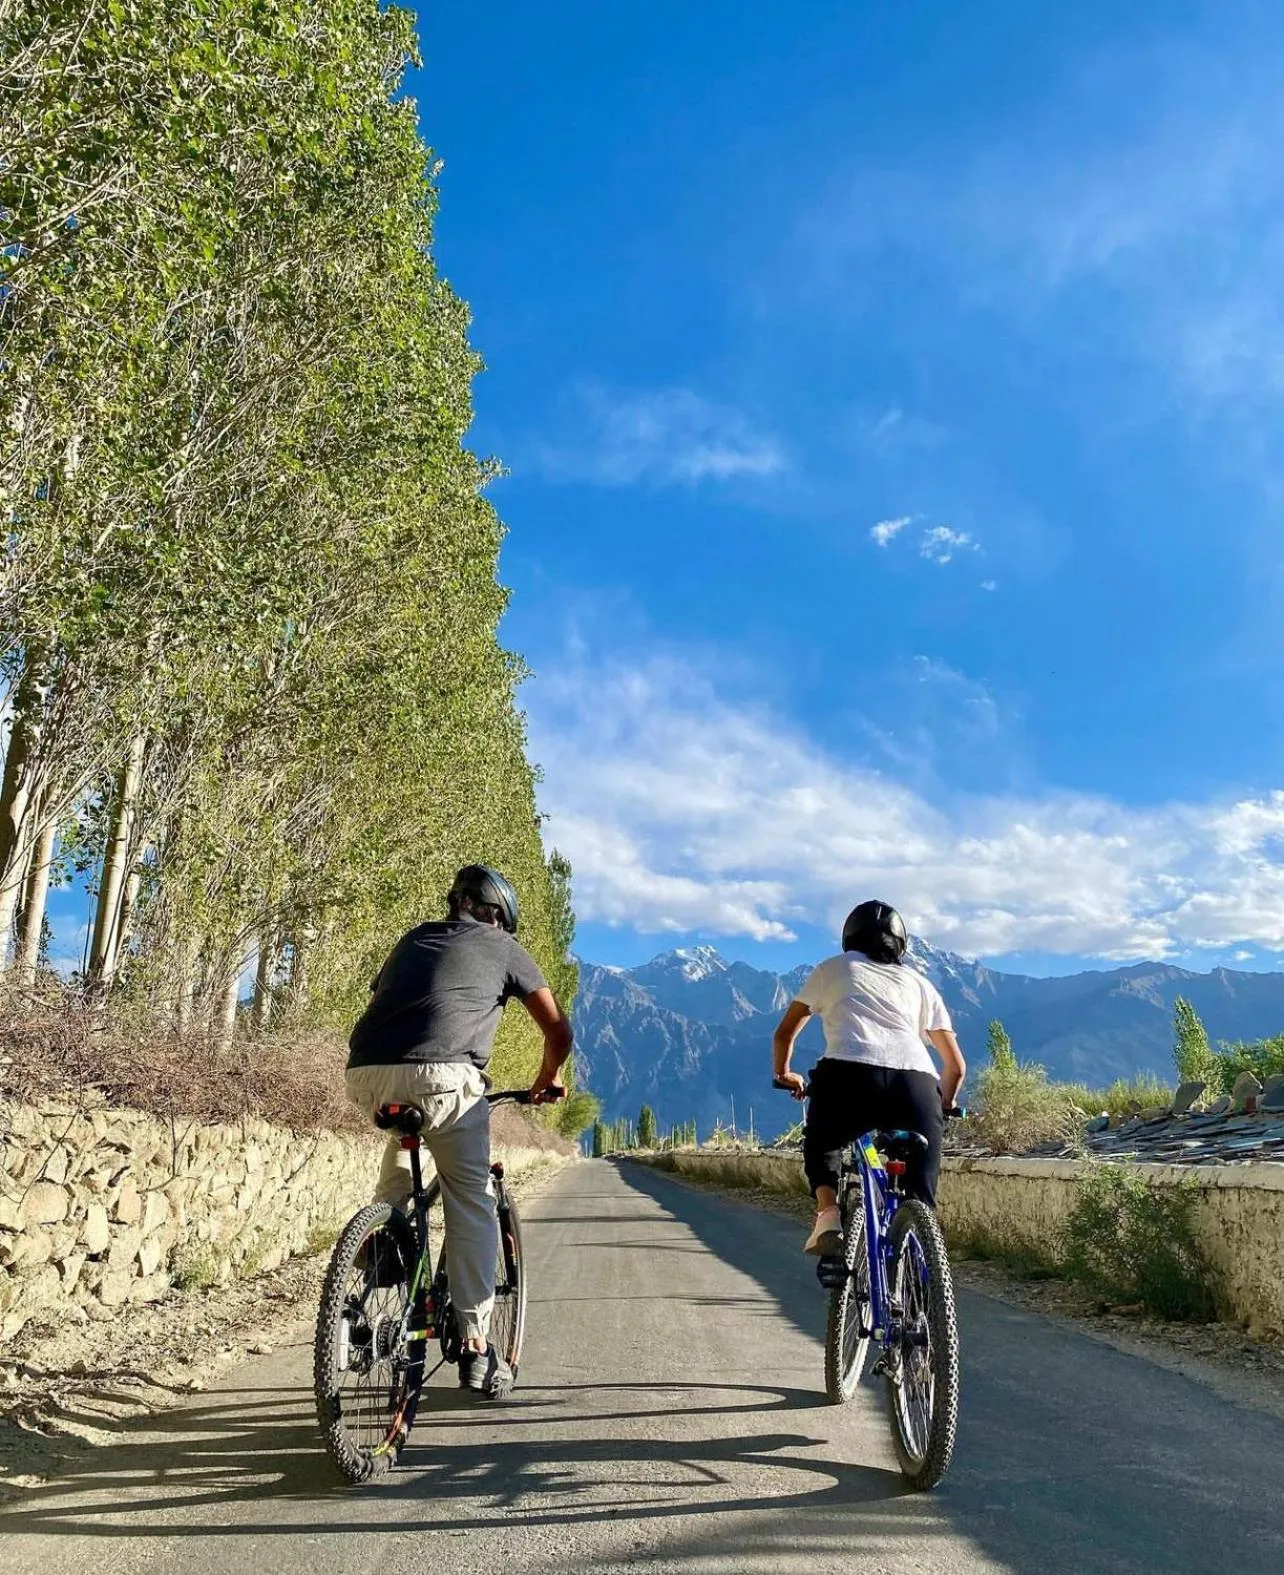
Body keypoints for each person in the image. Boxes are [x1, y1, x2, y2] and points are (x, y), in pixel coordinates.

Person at [346, 863, 573, 1397]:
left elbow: (389, 994)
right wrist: (548, 1078)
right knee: (469, 1196)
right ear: (497, 915)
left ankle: (383, 1241)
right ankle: (474, 1341)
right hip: (446, 1079)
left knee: (406, 1153)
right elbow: (558, 1030)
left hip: (365, 1074)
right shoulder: (503, 946)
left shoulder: (414, 938)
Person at [771, 899, 965, 1255]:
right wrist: (946, 1104)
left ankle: (828, 1214)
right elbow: (955, 1066)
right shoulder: (921, 985)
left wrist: (785, 1074)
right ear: (901, 943)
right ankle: (923, 1285)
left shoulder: (834, 969)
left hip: (848, 1074)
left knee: (824, 1142)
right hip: (917, 1084)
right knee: (921, 1193)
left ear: (849, 939)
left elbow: (784, 1034)